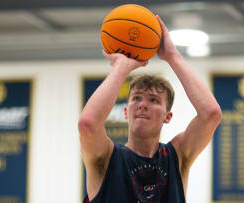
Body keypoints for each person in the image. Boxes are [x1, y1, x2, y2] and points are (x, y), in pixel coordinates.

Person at [78, 15, 222, 203]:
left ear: (167, 116)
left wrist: (173, 56)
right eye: (136, 98)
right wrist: (122, 67)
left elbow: (211, 114)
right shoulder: (106, 157)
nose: (143, 104)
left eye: (153, 100)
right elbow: (88, 124)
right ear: (126, 112)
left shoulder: (177, 156)